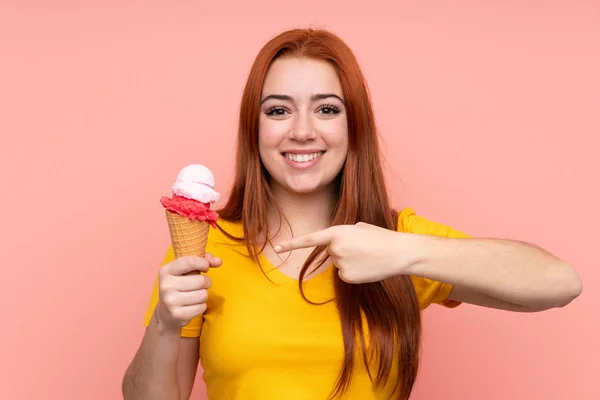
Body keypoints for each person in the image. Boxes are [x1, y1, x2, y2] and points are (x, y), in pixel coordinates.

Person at [121, 28, 582, 400]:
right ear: (254, 129)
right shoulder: (208, 248)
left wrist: (404, 251)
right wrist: (165, 321)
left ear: (353, 125)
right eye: (279, 110)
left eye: (326, 109)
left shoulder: (399, 241)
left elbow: (559, 283)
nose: (303, 131)